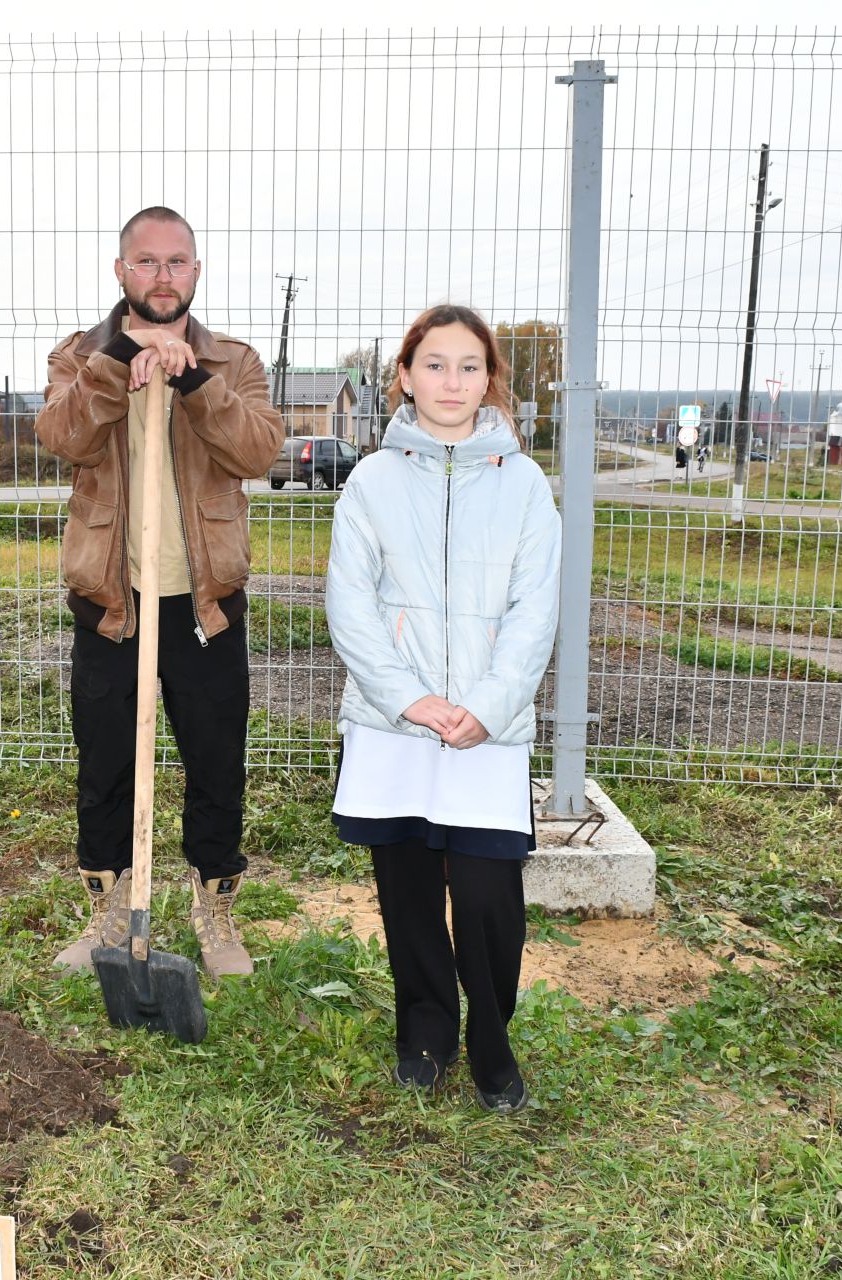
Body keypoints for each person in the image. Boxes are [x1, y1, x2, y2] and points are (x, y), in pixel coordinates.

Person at [324, 303, 562, 1112]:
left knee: (491, 896)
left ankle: (494, 1046)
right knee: (409, 888)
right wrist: (411, 699)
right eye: (434, 364)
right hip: (398, 724)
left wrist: (487, 709)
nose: (451, 381)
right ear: (404, 377)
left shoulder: (525, 485)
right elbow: (349, 601)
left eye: (469, 366)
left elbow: (537, 611)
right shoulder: (372, 480)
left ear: (490, 379)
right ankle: (425, 1033)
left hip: (486, 733)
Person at [36, 206, 285, 979]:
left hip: (204, 607)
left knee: (216, 763)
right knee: (104, 764)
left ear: (196, 272)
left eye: (177, 262)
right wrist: (116, 367)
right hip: (114, 605)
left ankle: (214, 912)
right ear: (121, 272)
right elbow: (63, 437)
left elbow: (259, 450)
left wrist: (195, 381)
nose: (162, 276)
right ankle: (110, 911)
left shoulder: (234, 360)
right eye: (146, 262)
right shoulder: (78, 356)